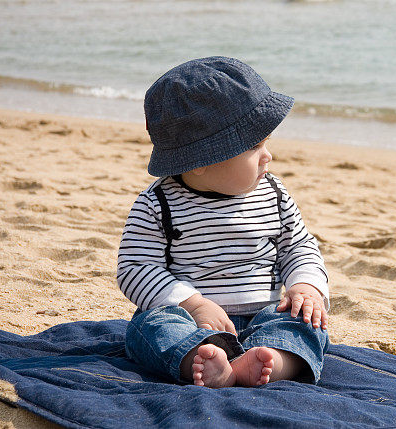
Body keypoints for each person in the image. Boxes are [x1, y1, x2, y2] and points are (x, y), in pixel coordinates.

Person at [117, 56, 329, 388]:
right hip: (191, 322)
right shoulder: (158, 204)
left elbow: (298, 246)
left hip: (264, 314)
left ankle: (272, 359)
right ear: (200, 161)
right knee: (150, 327)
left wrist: (305, 285)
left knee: (304, 323)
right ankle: (200, 361)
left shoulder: (273, 193)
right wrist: (193, 303)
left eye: (266, 143)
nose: (267, 155)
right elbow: (135, 266)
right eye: (255, 146)